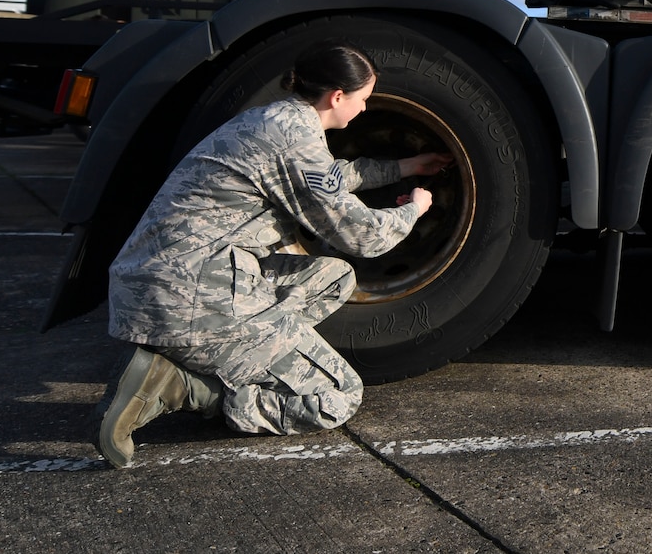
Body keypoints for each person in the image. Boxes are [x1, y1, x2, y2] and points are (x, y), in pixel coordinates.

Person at [94, 42, 449, 468]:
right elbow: (364, 237)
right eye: (363, 99)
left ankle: (220, 355)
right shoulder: (295, 140)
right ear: (337, 96)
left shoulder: (273, 121)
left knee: (332, 276)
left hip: (166, 279)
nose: (365, 109)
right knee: (336, 397)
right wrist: (415, 208)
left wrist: (406, 167)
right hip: (190, 296)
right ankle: (182, 386)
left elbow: (329, 178)